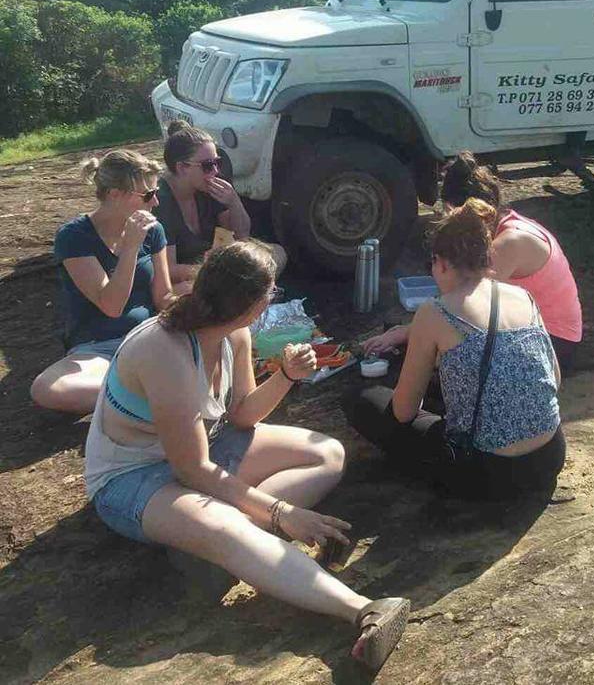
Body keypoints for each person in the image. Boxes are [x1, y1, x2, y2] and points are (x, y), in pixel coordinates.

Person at [84, 242, 409, 671]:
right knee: (231, 526)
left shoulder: (231, 332)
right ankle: (365, 610)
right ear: (254, 304)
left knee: (326, 454)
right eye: (270, 294)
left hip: (207, 446)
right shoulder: (164, 351)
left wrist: (286, 376)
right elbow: (192, 469)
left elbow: (240, 417)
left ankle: (212, 546)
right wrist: (280, 512)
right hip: (134, 476)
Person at [343, 200, 565, 500]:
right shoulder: (522, 295)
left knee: (361, 400)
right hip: (549, 459)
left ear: (442, 262)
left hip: (487, 473)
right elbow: (555, 378)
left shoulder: (435, 312)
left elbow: (404, 412)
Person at [365, 153, 583, 375]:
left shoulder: (510, 243)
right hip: (529, 332)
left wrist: (409, 333)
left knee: (432, 349)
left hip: (553, 344)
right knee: (416, 337)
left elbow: (463, 308)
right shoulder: (503, 226)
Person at [31, 150, 173, 415]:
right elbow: (112, 306)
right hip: (98, 348)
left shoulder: (153, 230)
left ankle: (136, 394)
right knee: (47, 389)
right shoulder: (73, 236)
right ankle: (153, 391)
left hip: (148, 338)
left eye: (156, 193)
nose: (155, 203)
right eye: (147, 195)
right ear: (114, 194)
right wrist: (130, 248)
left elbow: (163, 297)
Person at [155, 121, 287, 289]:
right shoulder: (161, 201)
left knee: (277, 253)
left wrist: (234, 201)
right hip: (191, 275)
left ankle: (239, 294)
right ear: (182, 167)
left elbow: (241, 235)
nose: (216, 171)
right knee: (184, 290)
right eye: (208, 165)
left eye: (217, 162)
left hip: (216, 266)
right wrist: (214, 270)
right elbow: (168, 270)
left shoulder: (207, 186)